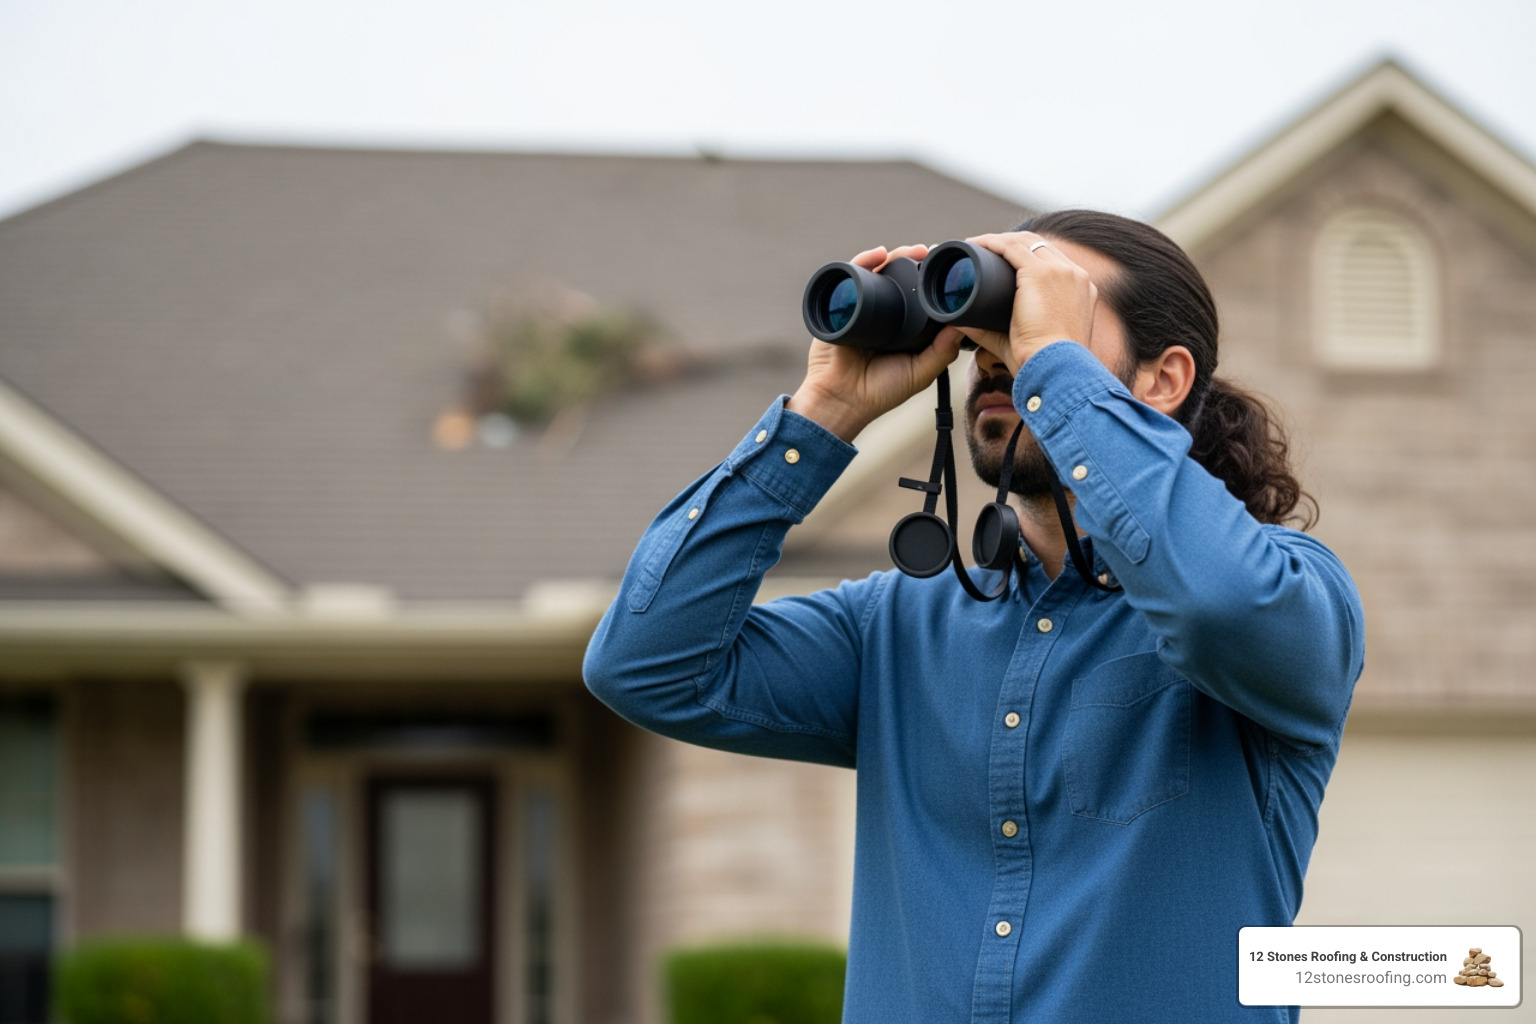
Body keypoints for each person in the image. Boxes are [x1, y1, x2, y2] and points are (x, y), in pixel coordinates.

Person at [584, 209, 1365, 1024]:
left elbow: (1218, 604)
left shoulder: (1296, 594)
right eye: (988, 332)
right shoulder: (893, 628)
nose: (998, 362)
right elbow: (643, 663)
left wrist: (1055, 372)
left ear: (1162, 381)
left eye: (1041, 319)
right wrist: (824, 412)